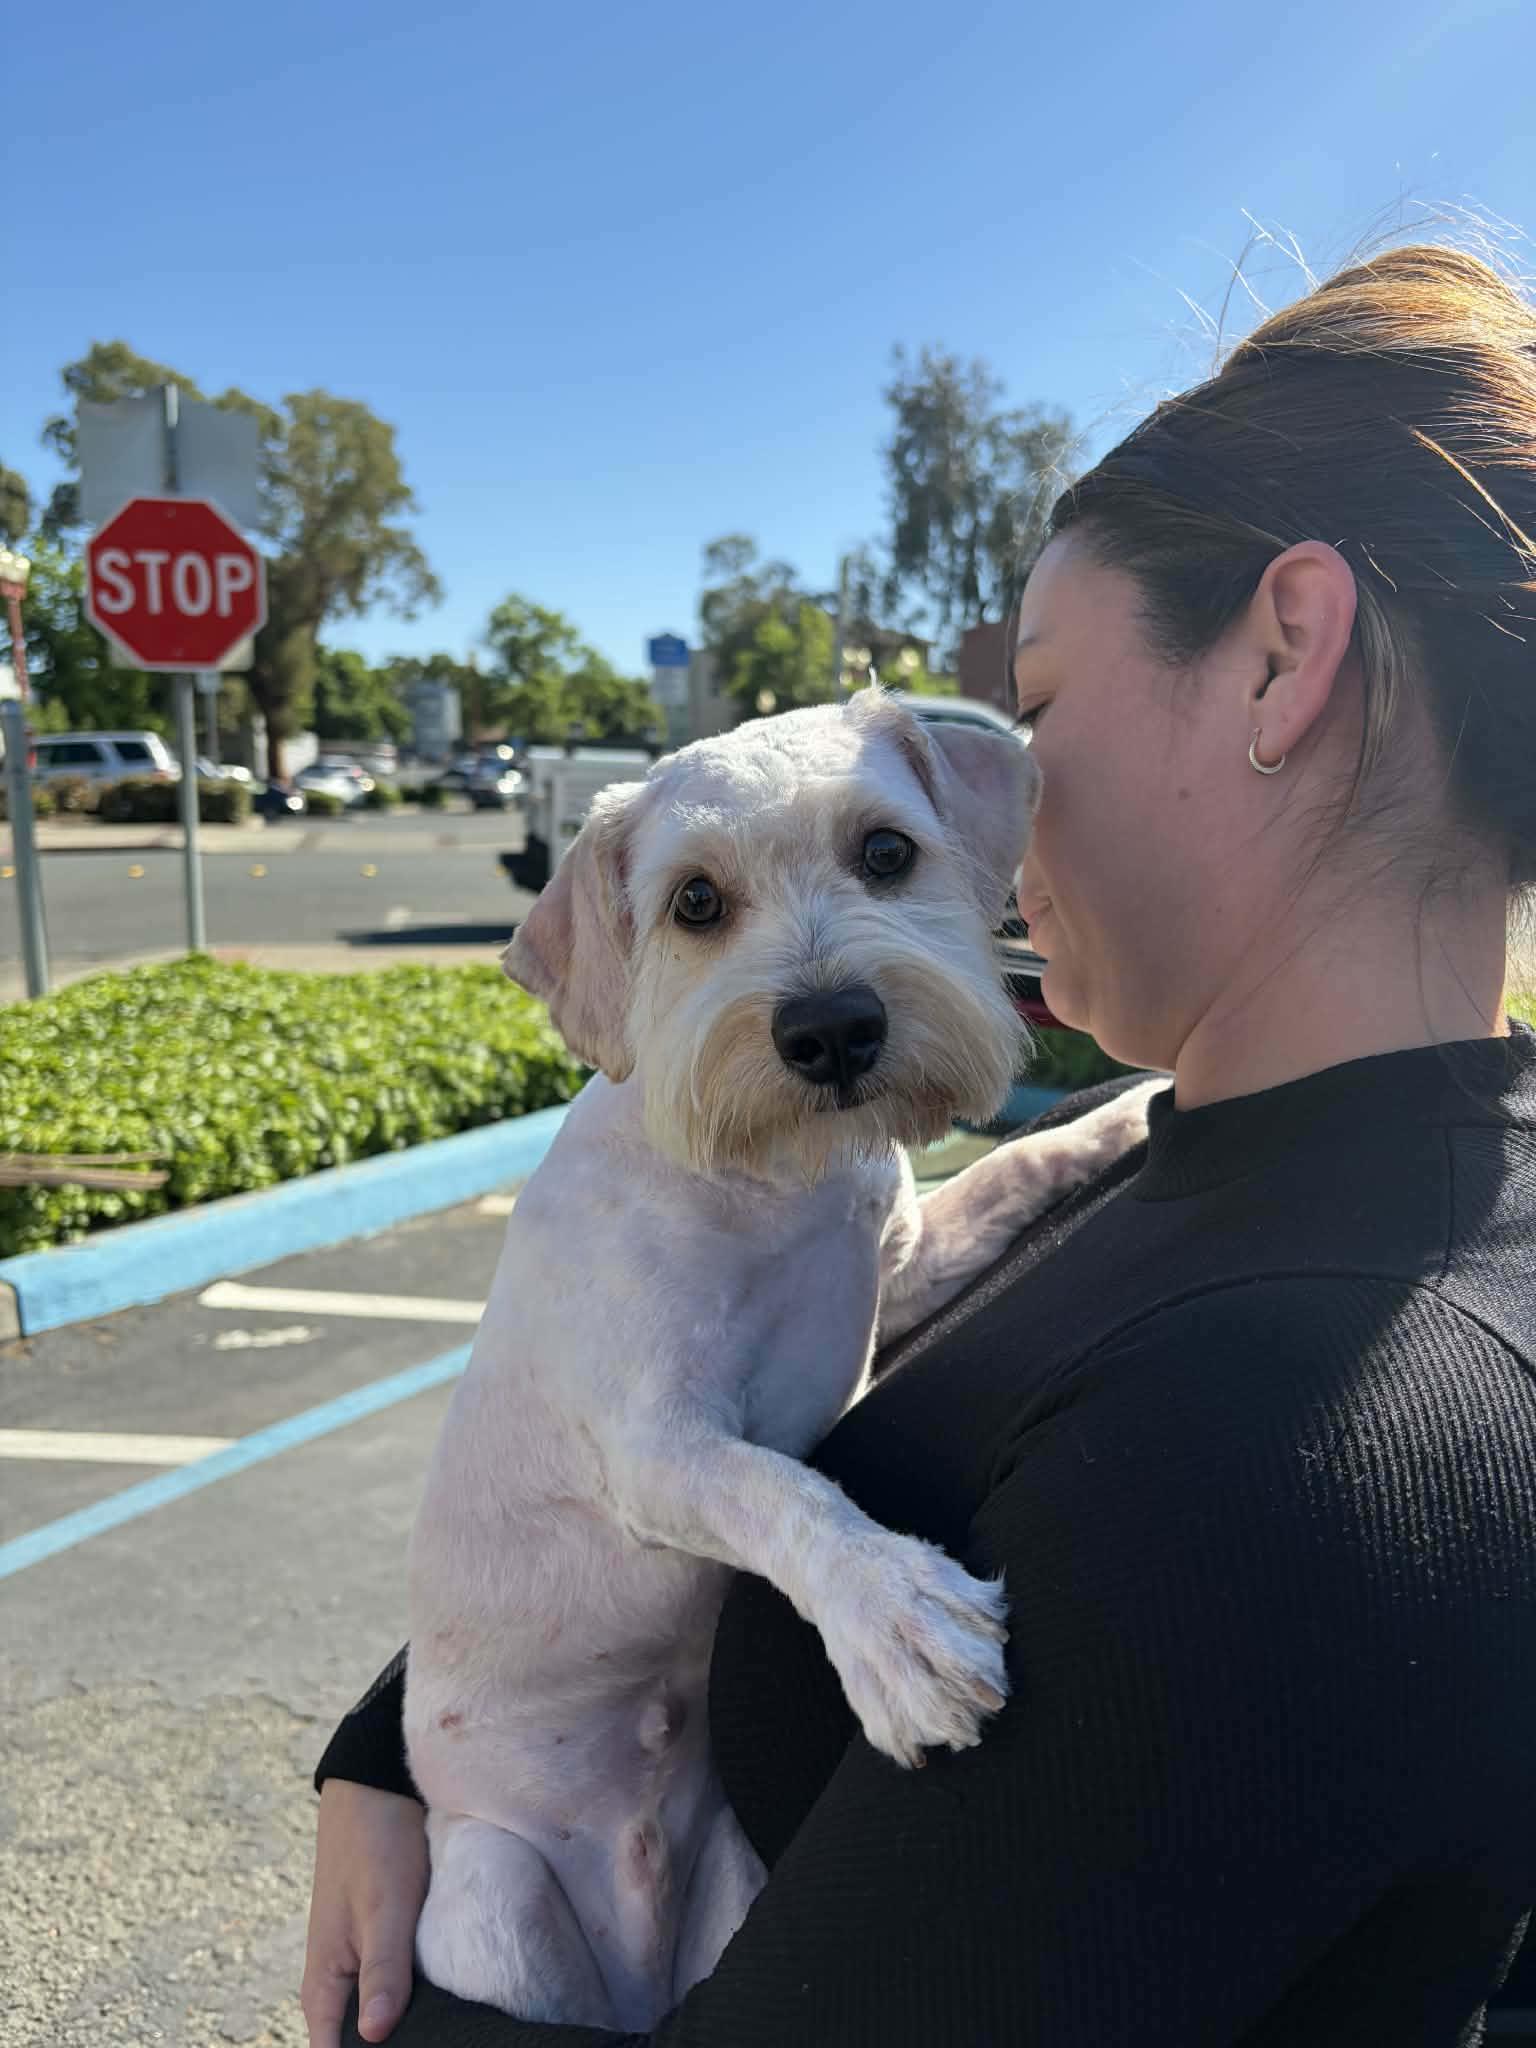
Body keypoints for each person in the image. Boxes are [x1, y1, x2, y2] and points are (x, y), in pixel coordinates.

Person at [301, 243, 1536, 2047]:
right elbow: (735, 1431)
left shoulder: (1288, 1450)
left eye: (1029, 712)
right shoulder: (1228, 1171)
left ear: (1282, 662)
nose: (991, 812)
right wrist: (401, 1749)